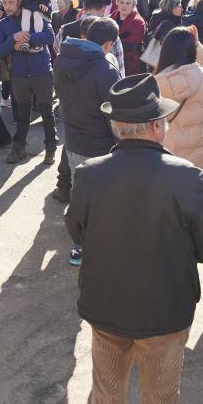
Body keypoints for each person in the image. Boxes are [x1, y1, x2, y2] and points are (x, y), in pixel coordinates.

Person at [65, 73, 203, 404]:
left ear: (116, 127)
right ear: (157, 126)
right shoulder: (189, 178)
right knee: (160, 401)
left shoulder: (89, 173)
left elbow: (76, 230)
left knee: (107, 395)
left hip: (105, 306)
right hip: (164, 313)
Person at [53, 17, 122, 266]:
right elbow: (113, 113)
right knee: (105, 198)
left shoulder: (63, 59)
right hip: (100, 143)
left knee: (79, 194)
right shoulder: (105, 69)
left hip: (72, 138)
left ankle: (79, 245)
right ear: (108, 44)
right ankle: (103, 245)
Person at [0, 0, 57, 166]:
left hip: (42, 72)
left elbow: (50, 37)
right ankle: (19, 148)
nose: (7, 6)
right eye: (4, 2)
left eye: (11, 2)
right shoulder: (4, 24)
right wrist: (13, 39)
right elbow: (0, 50)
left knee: (47, 112)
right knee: (22, 114)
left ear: (20, 1)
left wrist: (27, 37)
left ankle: (50, 149)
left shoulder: (37, 15)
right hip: (19, 75)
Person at [154, 26, 203, 173]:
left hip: (169, 153)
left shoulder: (156, 84)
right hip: (199, 151)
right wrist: (197, 43)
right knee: (199, 184)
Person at [112, 0, 146, 77]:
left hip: (131, 62)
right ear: (117, 3)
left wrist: (110, 42)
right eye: (121, 2)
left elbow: (132, 44)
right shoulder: (112, 17)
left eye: (128, 3)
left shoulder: (138, 22)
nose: (124, 6)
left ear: (133, 5)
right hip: (112, 58)